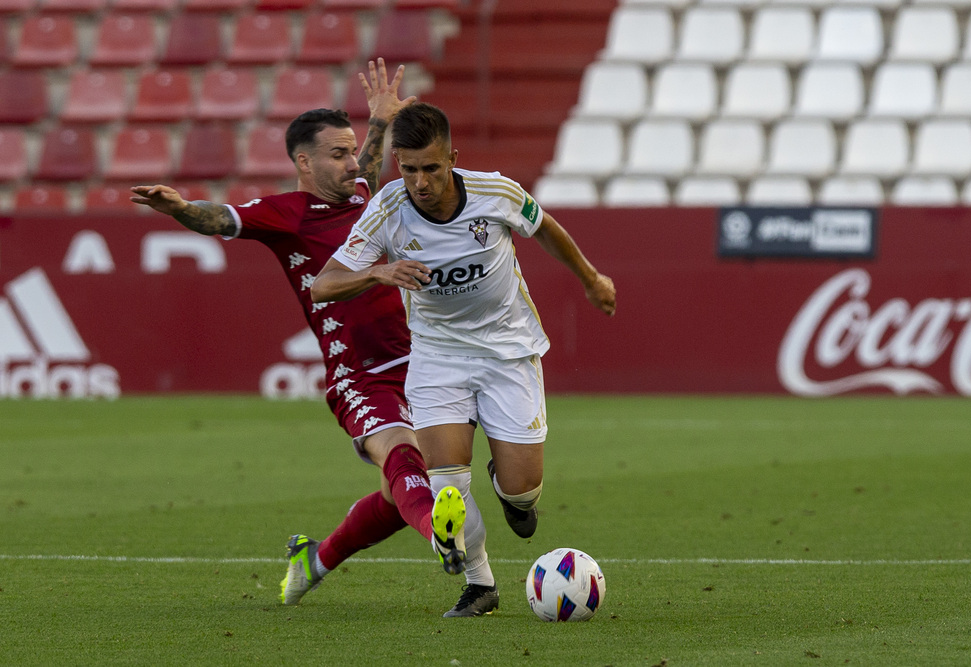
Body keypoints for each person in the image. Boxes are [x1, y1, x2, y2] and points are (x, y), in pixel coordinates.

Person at [129, 61, 472, 614]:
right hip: (357, 372)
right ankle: (440, 534)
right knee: (402, 455)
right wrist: (182, 210)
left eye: (352, 149)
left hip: (420, 360)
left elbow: (367, 166)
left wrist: (381, 121)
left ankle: (315, 560)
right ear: (303, 162)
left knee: (396, 491)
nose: (352, 162)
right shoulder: (285, 215)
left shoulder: (365, 194)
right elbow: (220, 217)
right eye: (337, 154)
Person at [310, 102, 617, 617]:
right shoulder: (387, 210)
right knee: (447, 483)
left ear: (452, 157)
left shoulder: (496, 193)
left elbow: (545, 228)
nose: (421, 182)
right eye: (408, 170)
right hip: (437, 358)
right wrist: (378, 274)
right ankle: (481, 585)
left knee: (523, 493)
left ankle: (510, 490)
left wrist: (590, 278)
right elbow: (323, 285)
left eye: (431, 167)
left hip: (508, 351)